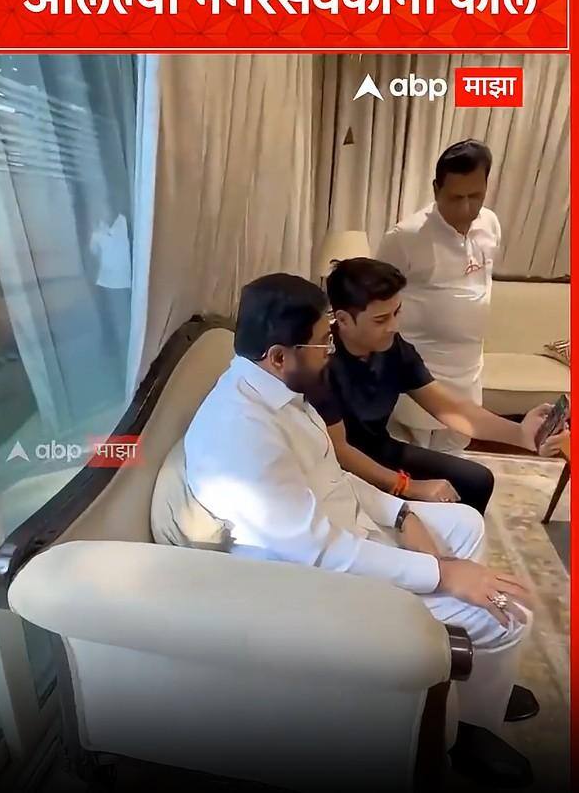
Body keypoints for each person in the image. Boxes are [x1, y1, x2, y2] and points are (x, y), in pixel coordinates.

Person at [183, 273, 560, 786]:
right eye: (322, 341)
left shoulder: (280, 391)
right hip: (320, 585)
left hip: (350, 535)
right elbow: (321, 553)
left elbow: (332, 474)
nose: (330, 352)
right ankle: (464, 733)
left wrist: (402, 513)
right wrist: (442, 574)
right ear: (278, 355)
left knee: (465, 523)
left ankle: (470, 680)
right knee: (509, 613)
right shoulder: (242, 433)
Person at [304, 257, 568, 726]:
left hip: (380, 448)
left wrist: (519, 434)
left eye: (396, 313)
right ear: (342, 319)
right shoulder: (321, 363)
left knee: (475, 479)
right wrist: (410, 487)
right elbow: (339, 452)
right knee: (437, 492)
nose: (393, 326)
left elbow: (449, 408)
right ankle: (428, 615)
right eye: (380, 318)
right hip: (349, 465)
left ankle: (471, 630)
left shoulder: (393, 348)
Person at [378, 139, 499, 452]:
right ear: (436, 189)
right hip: (420, 372)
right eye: (455, 197)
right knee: (414, 459)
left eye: (475, 196)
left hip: (468, 368)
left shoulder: (490, 224)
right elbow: (375, 299)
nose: (466, 208)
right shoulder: (405, 237)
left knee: (457, 453)